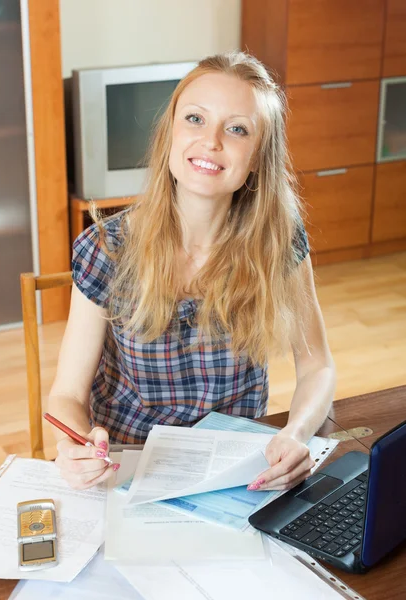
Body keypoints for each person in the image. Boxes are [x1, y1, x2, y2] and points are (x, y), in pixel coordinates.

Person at [49, 51, 336, 492]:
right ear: (169, 135)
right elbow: (67, 395)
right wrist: (75, 447)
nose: (212, 141)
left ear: (259, 156)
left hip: (235, 471)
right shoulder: (106, 249)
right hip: (130, 465)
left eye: (237, 128)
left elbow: (317, 366)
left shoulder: (279, 242)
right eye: (195, 119)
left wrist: (295, 434)